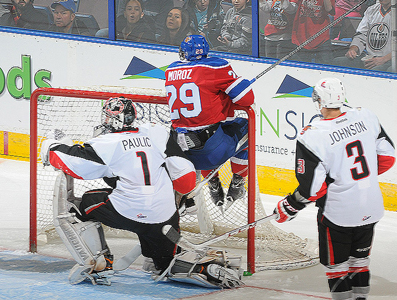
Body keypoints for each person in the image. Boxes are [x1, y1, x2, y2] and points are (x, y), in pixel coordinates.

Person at [40, 97, 197, 284]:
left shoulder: (107, 143)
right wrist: (181, 199)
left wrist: (52, 147)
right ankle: (202, 268)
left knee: (83, 204)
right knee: (166, 266)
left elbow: (75, 165)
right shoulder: (157, 134)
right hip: (164, 216)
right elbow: (186, 177)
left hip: (126, 213)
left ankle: (101, 261)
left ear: (111, 118)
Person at [273, 78, 395, 300]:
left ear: (319, 100)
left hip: (339, 214)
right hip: (371, 207)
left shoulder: (312, 134)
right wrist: (353, 178)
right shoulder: (365, 116)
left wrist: (290, 204)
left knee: (336, 267)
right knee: (360, 261)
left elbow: (312, 190)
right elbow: (388, 157)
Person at [165, 35, 254, 212]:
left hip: (180, 155)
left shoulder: (171, 69)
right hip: (211, 153)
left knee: (210, 129)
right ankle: (237, 183)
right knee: (245, 125)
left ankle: (213, 183)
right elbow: (247, 99)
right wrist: (241, 83)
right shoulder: (215, 66)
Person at [333, 0, 392, 72]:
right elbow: (361, 34)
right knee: (338, 62)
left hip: (390, 60)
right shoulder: (371, 10)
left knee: (375, 71)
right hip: (370, 58)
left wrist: (384, 59)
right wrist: (354, 48)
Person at [291, 0, 335, 64]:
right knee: (299, 68)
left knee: (325, 68)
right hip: (301, 36)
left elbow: (329, 9)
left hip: (321, 37)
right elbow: (291, 6)